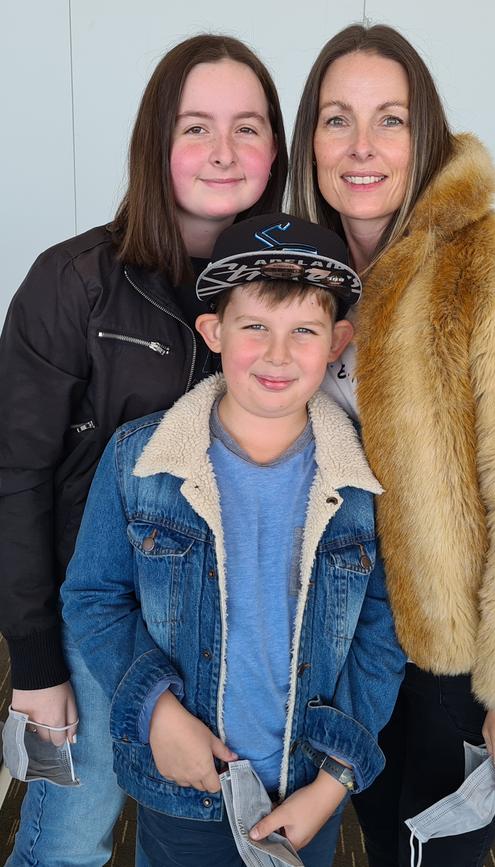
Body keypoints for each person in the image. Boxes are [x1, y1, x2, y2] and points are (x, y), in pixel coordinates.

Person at [289, 23, 495, 867]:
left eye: (389, 120)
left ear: (425, 132)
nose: (362, 147)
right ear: (307, 139)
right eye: (336, 119)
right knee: (370, 826)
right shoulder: (297, 275)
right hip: (341, 639)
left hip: (454, 666)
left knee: (424, 854)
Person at [0, 33, 287, 866]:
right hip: (96, 624)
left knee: (212, 837)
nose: (224, 153)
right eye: (195, 127)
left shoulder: (294, 286)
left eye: (248, 127)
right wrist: (37, 662)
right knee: (70, 841)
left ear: (276, 145)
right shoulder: (72, 281)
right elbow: (14, 479)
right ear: (155, 141)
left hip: (234, 627)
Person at [60, 212, 406, 867]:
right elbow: (93, 595)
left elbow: (383, 631)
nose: (278, 355)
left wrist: (333, 783)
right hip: (181, 785)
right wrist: (157, 710)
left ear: (337, 342)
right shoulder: (140, 459)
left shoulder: (367, 479)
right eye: (255, 328)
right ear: (214, 331)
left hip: (306, 787)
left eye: (303, 331)